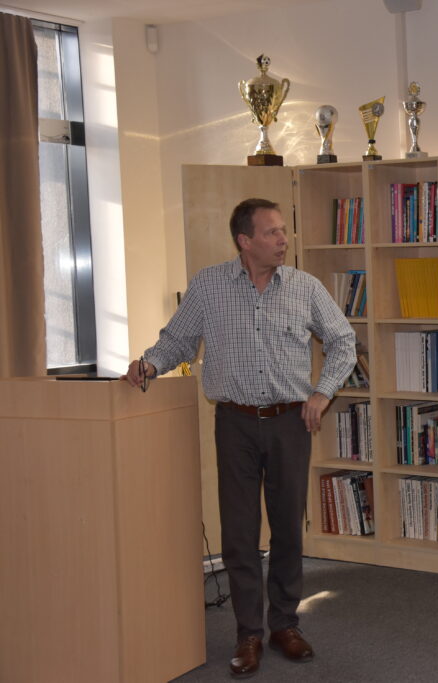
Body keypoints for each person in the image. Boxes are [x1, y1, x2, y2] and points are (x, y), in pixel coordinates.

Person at [123, 197, 355, 679]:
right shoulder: (209, 286)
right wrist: (148, 364)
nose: (283, 240)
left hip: (292, 421)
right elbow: (178, 341)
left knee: (288, 528)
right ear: (244, 241)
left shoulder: (305, 287)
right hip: (235, 423)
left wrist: (322, 393)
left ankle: (285, 625)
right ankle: (248, 632)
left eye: (284, 231)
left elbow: (343, 341)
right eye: (272, 232)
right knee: (239, 534)